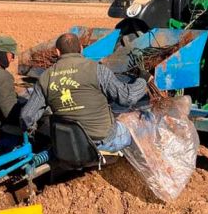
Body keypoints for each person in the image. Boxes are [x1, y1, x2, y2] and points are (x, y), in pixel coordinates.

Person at [20, 32, 150, 152]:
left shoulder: (45, 77)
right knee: (143, 122)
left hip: (67, 142)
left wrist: (32, 134)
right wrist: (142, 80)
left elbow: (26, 116)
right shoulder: (98, 70)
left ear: (58, 52)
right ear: (81, 48)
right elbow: (127, 97)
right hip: (102, 141)